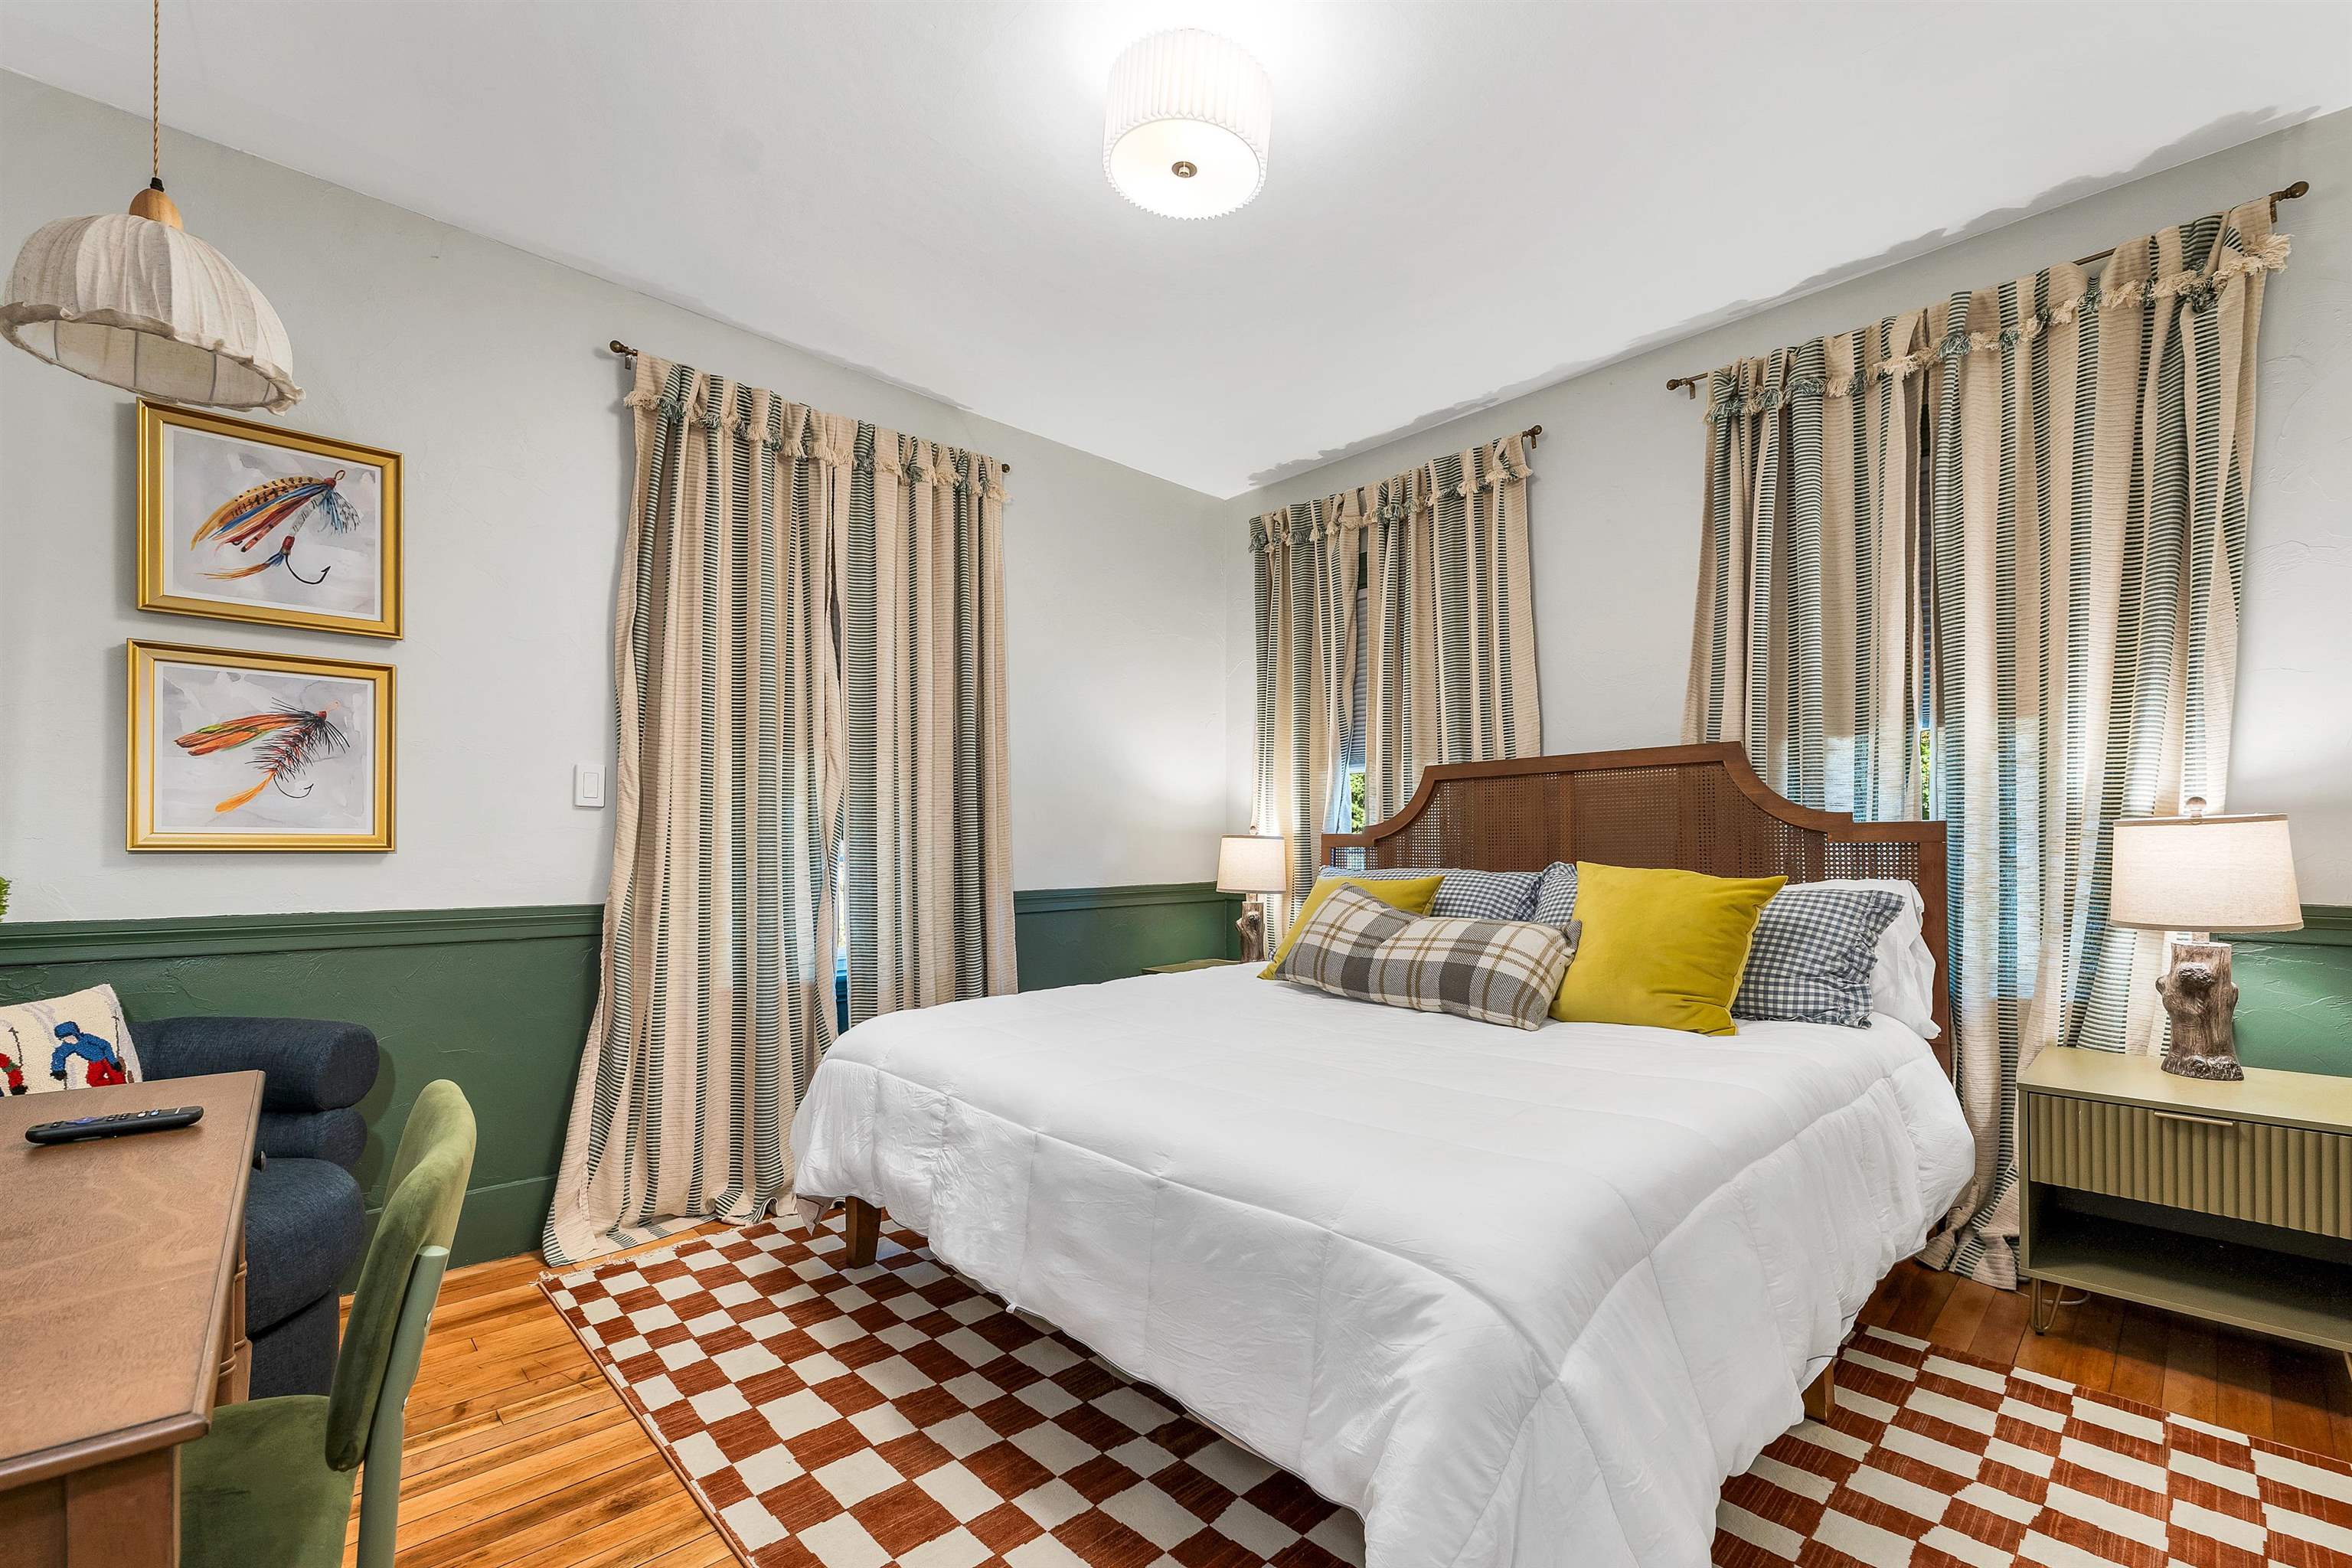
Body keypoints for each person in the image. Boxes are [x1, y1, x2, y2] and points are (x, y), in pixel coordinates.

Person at [49, 1021, 128, 1087]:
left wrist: (113, 1061)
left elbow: (105, 1045)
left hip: (106, 1058)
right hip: (94, 1062)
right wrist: (58, 1069)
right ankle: (111, 1087)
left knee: (117, 1076)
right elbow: (59, 1055)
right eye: (63, 1039)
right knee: (93, 1080)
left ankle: (122, 1087)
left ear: (75, 1034)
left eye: (69, 1037)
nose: (67, 1040)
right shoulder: (68, 1046)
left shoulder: (87, 1038)